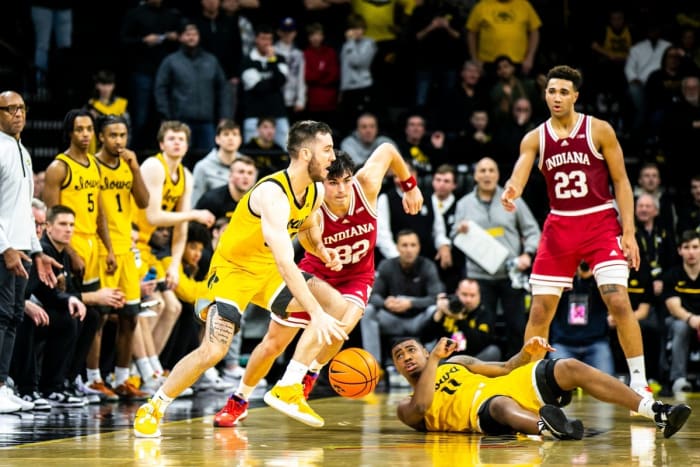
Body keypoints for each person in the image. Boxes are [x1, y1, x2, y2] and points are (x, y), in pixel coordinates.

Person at [133, 120, 349, 438]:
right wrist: (314, 313)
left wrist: (322, 250)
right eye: (327, 149)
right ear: (306, 154)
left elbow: (307, 226)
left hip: (267, 272)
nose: (333, 157)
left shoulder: (315, 190)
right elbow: (285, 261)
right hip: (233, 272)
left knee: (338, 304)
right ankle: (155, 405)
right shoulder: (272, 194)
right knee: (215, 349)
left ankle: (286, 386)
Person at [215, 144, 423, 427]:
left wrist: (409, 185)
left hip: (356, 278)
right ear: (320, 181)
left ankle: (301, 381)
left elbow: (387, 150)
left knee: (342, 323)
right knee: (273, 344)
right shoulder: (310, 203)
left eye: (346, 181)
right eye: (333, 183)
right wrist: (323, 250)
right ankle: (239, 399)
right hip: (317, 276)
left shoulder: (365, 187)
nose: (341, 189)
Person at [500, 65, 652, 397]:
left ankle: (639, 381)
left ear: (575, 96)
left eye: (563, 92)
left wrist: (629, 232)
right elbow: (519, 172)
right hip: (561, 224)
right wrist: (512, 189)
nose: (556, 97)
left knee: (618, 299)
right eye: (551, 91)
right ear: (545, 94)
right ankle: (526, 385)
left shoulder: (599, 130)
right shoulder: (535, 137)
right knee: (540, 309)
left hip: (599, 221)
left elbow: (622, 181)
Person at [392, 336, 691, 439]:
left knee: (570, 366)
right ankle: (548, 427)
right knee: (499, 404)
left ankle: (656, 411)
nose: (407, 357)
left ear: (422, 350)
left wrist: (526, 352)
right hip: (479, 411)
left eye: (410, 350)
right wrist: (433, 358)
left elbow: (506, 368)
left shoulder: (457, 361)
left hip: (509, 384)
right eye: (399, 355)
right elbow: (422, 405)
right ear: (396, 367)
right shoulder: (405, 407)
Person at [0, 90, 59, 413]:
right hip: (4, 248)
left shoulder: (21, 150)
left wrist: (37, 250)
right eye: (9, 109)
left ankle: (2, 385)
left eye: (21, 108)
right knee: (1, 316)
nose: (17, 114)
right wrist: (5, 247)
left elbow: (23, 209)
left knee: (11, 318)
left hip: (21, 246)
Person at [93, 115, 151, 400]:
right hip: (102, 250)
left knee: (130, 316)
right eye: (113, 135)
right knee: (100, 317)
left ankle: (123, 378)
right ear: (101, 137)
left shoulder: (128, 166)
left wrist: (136, 167)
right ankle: (93, 378)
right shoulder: (93, 166)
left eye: (123, 135)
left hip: (126, 250)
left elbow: (143, 202)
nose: (119, 141)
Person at [663, 230, 700, 396]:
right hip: (680, 319)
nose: (691, 252)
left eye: (695, 247)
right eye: (687, 247)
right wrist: (691, 318)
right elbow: (673, 307)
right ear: (680, 251)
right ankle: (679, 379)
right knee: (680, 327)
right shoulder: (672, 274)